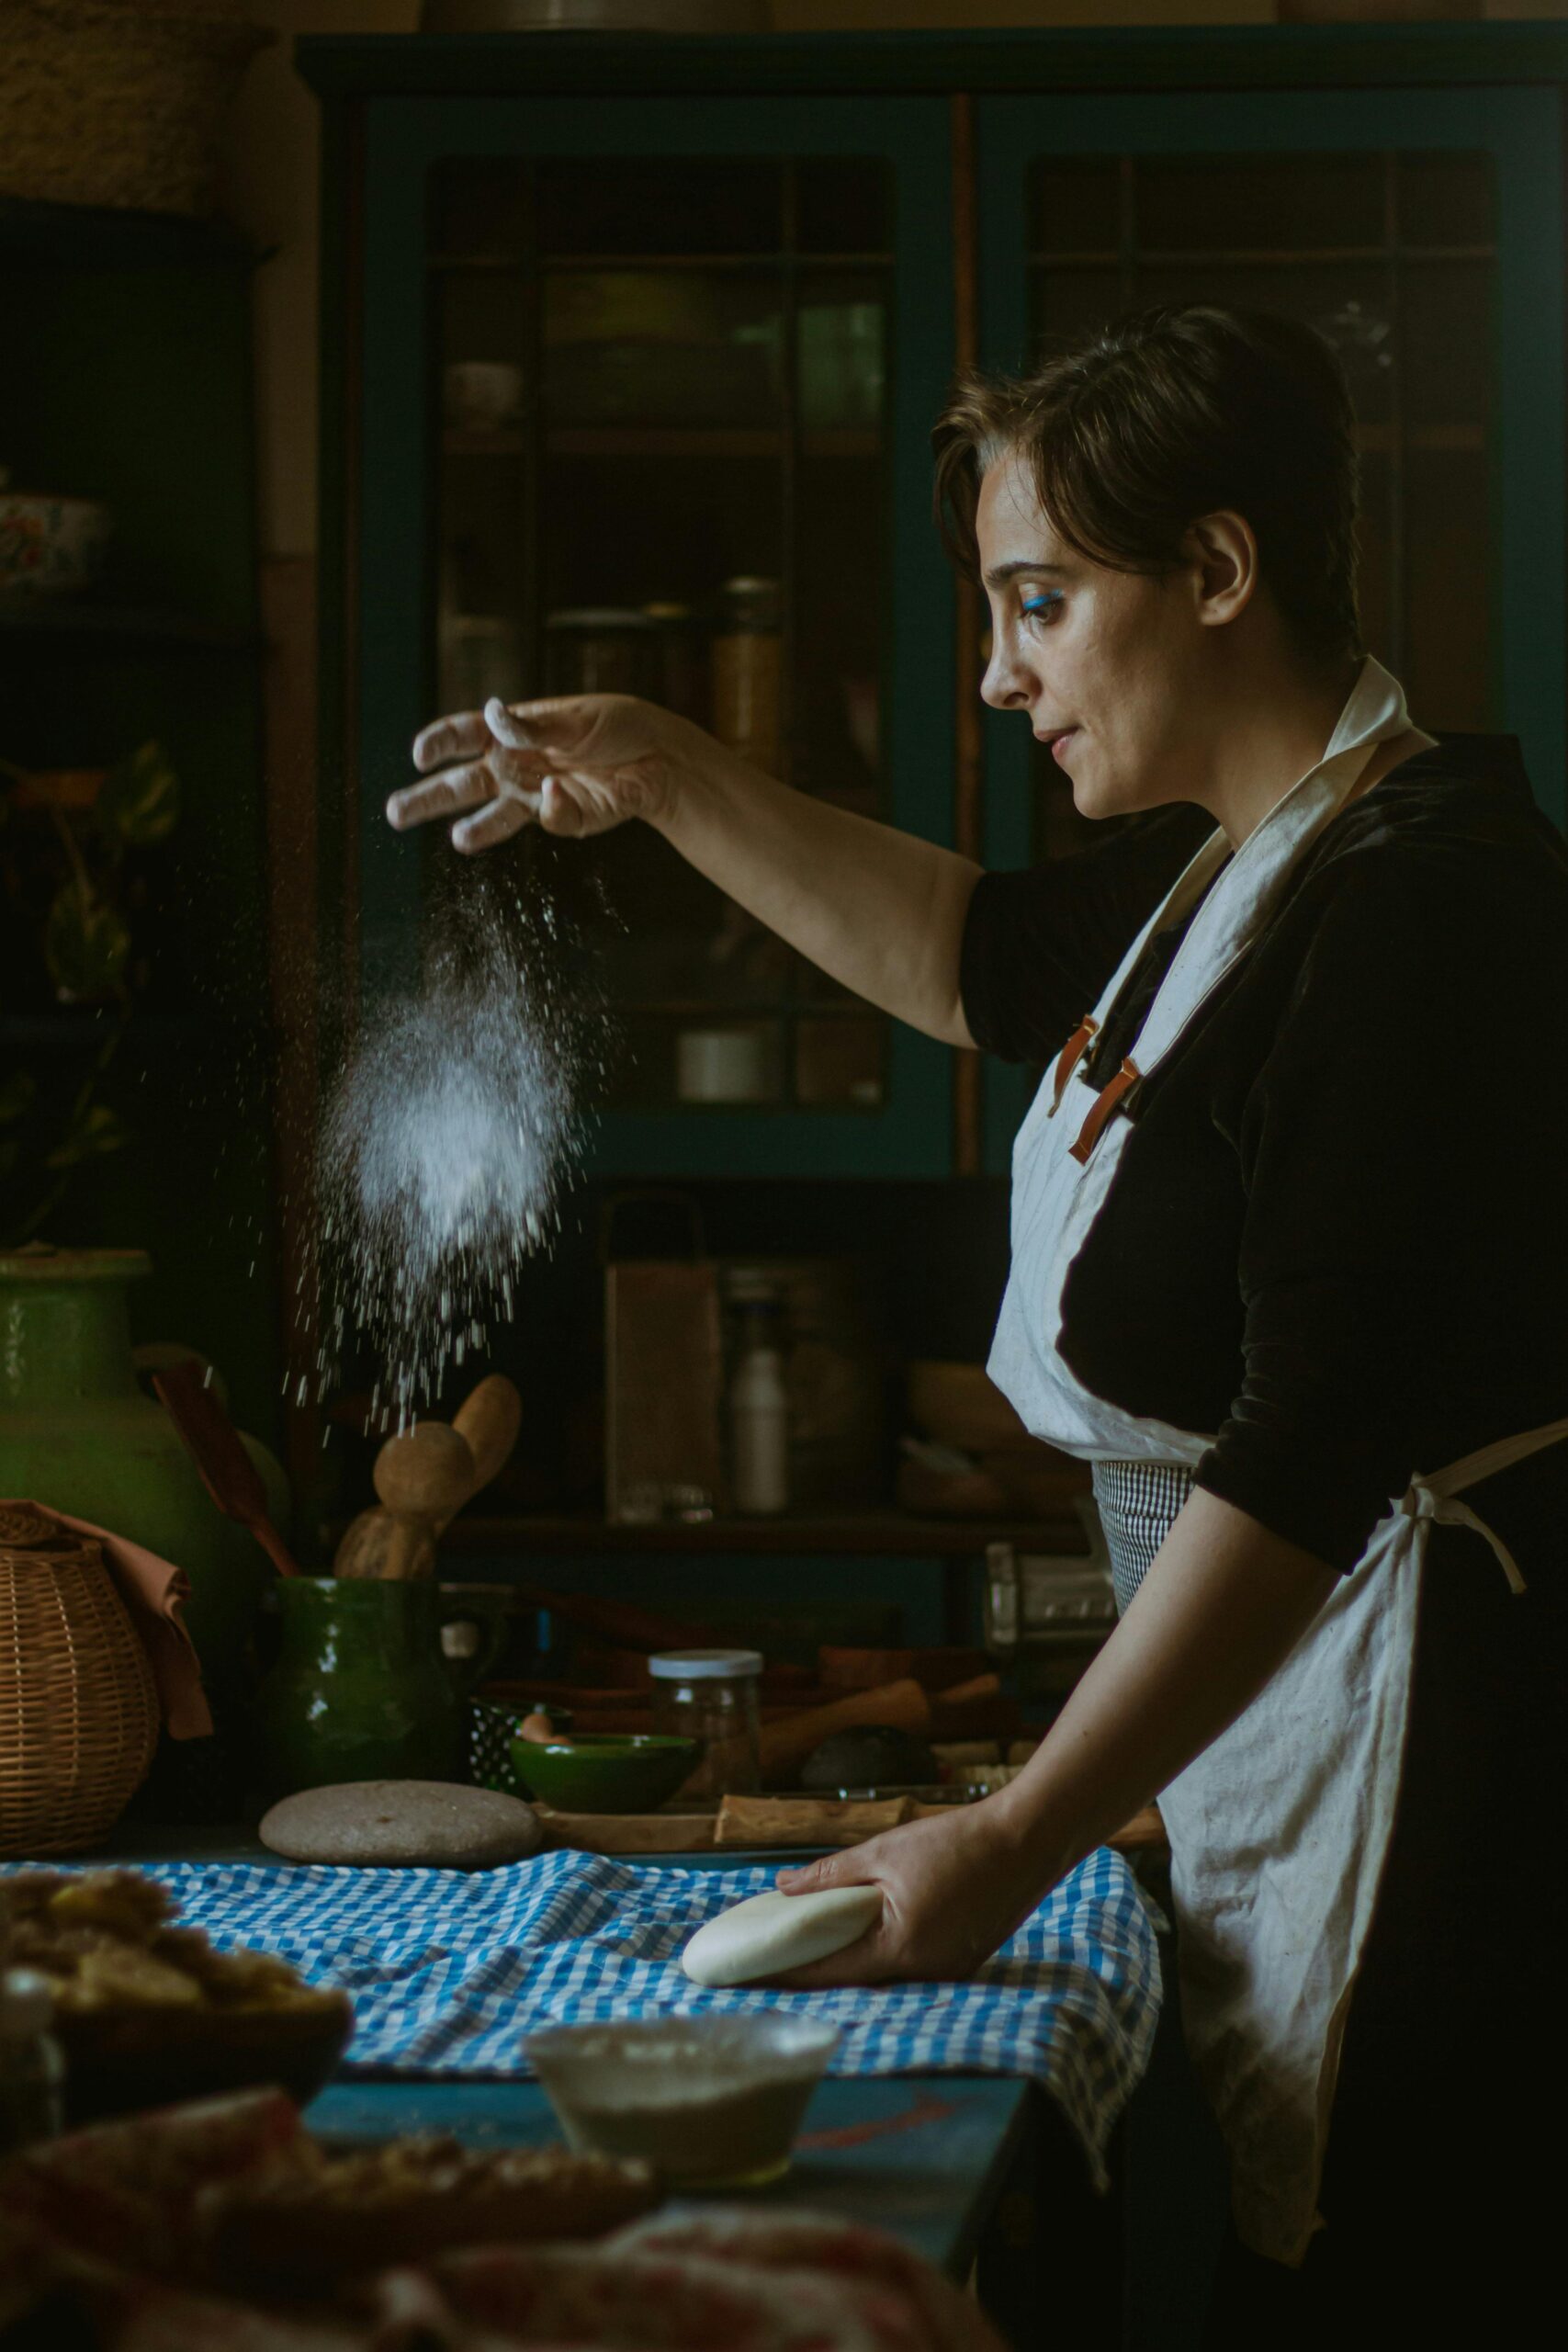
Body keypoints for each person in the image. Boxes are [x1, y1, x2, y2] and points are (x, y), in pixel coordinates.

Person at [388, 307, 1567, 2338]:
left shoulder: (1421, 901)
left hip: (1439, 1758)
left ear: (1214, 569)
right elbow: (964, 953)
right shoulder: (1244, 873)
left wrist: (1011, 1838)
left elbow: (1306, 1447)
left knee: (1401, 2276)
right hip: (1288, 1711)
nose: (1001, 670)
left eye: (1037, 601)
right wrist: (661, 773)